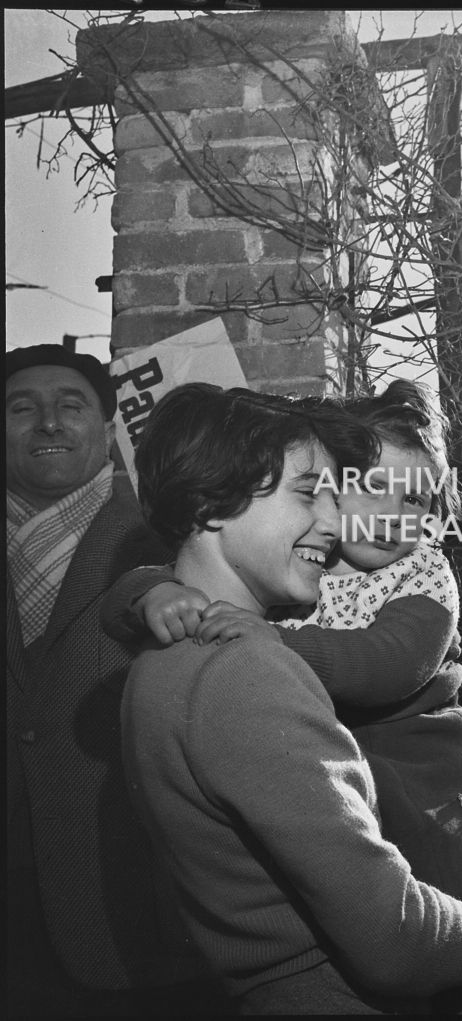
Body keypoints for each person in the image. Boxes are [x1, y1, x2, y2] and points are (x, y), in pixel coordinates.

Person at [103, 380, 462, 1012]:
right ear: (215, 502)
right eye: (310, 493)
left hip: (435, 801)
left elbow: (386, 662)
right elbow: (396, 937)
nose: (335, 521)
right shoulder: (243, 665)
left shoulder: (179, 659)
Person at [5, 345, 222, 1016]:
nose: (47, 423)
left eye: (71, 406)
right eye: (21, 409)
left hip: (135, 918)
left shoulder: (169, 539)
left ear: (107, 431)